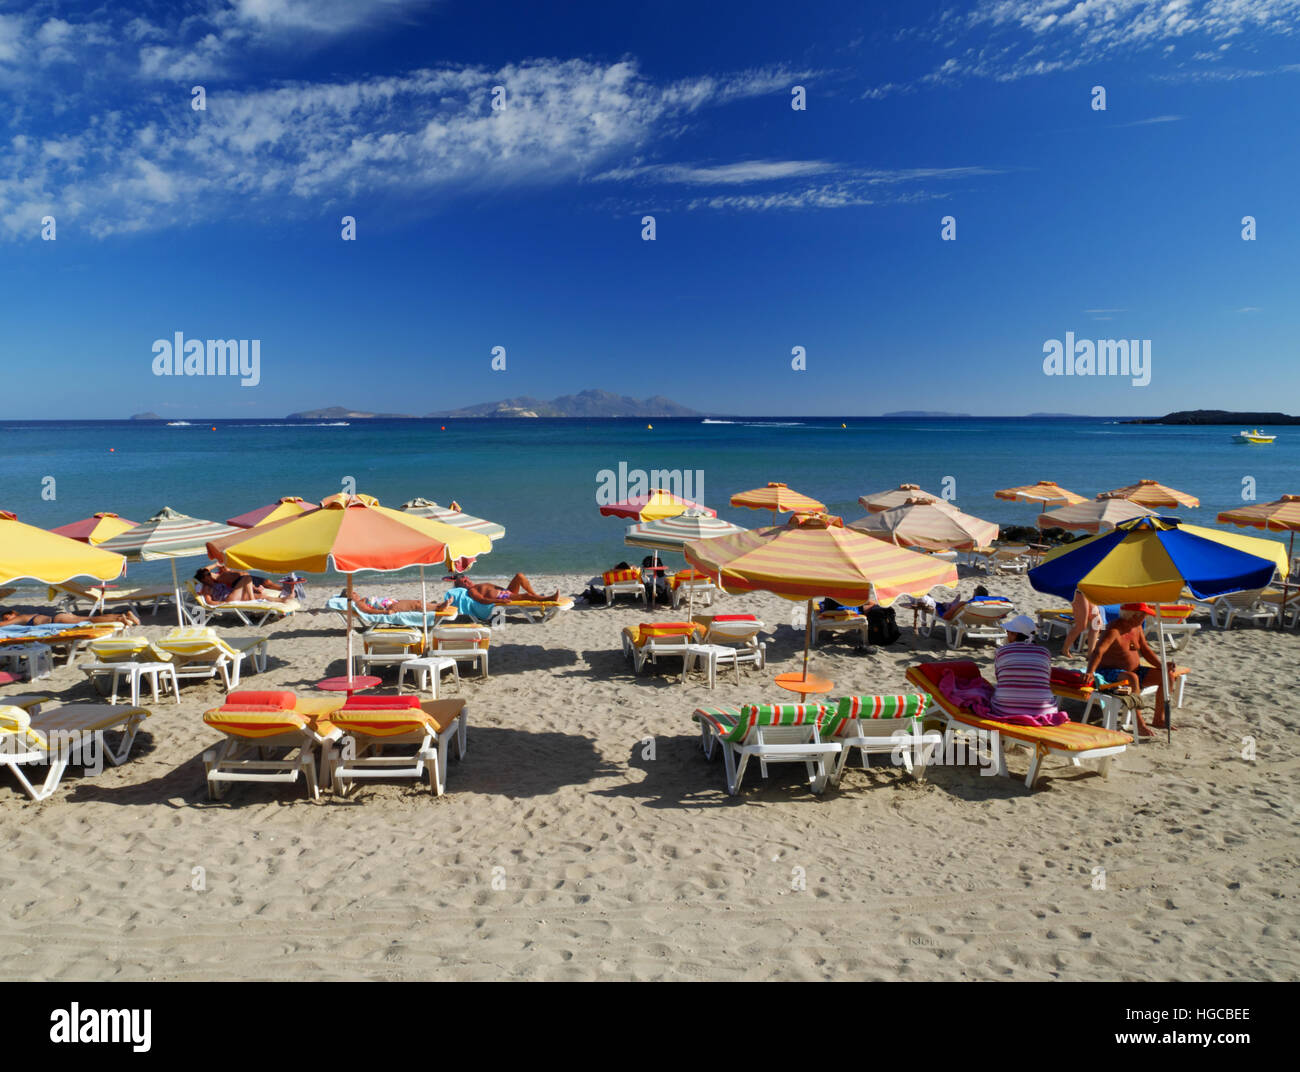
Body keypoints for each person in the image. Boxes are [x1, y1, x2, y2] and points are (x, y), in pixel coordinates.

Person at [1085, 603, 1174, 738]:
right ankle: (1139, 724)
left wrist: (1162, 667)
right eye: (1143, 615)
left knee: (1167, 676)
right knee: (1132, 678)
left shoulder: (1136, 627)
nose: (1145, 618)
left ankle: (1159, 719)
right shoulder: (1114, 630)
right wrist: (1090, 672)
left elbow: (1145, 650)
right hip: (1109, 672)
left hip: (1134, 671)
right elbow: (1099, 651)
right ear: (1133, 616)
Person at [989, 614, 1068, 725]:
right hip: (1044, 711)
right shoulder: (1044, 652)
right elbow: (1045, 680)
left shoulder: (1002, 652)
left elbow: (1000, 679)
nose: (1007, 635)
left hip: (1005, 710)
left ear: (1015, 634)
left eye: (1008, 632)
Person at [195, 566, 292, 604]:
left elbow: (204, 571)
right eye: (208, 575)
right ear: (203, 579)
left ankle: (283, 600)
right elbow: (209, 601)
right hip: (229, 598)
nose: (210, 575)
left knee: (262, 596)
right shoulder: (207, 587)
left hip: (234, 593)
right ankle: (252, 599)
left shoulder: (215, 579)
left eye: (209, 574)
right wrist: (223, 604)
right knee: (247, 578)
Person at [1062, 588, 1105, 659]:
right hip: (1078, 591)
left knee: (1097, 623)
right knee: (1081, 626)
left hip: (1088, 590)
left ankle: (1090, 654)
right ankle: (1064, 650)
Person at [1, 608, 139, 628]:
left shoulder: (21, 617)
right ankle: (124, 616)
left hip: (57, 620)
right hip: (60, 617)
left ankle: (121, 619)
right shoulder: (26, 616)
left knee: (90, 620)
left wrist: (4, 622)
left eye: (7, 617)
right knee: (91, 618)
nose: (7, 620)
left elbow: (1, 625)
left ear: (13, 613)